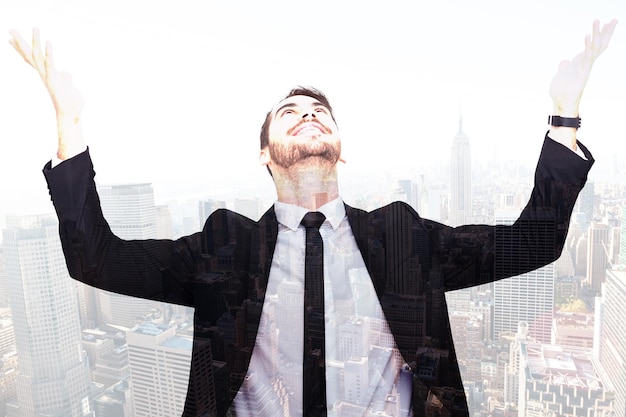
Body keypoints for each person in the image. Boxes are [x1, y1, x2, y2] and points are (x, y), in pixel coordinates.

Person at [9, 20, 617, 417]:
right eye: (289, 111)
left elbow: (534, 242)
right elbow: (95, 258)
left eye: (320, 111)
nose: (307, 115)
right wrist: (70, 126)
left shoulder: (402, 237)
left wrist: (564, 116)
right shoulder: (223, 247)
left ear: (342, 148)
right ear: (263, 152)